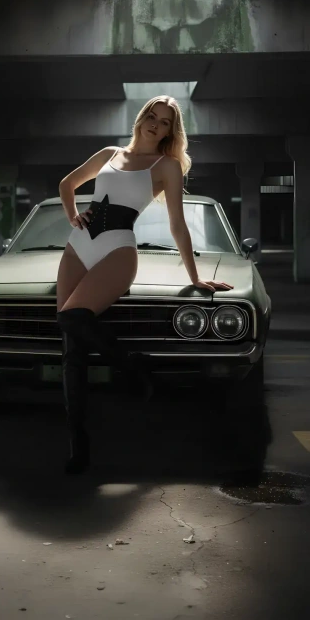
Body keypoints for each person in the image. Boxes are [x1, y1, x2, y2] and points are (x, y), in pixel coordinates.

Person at [55, 95, 234, 474]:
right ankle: (77, 443)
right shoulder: (109, 153)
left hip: (118, 249)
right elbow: (67, 184)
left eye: (165, 121)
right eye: (152, 116)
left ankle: (132, 365)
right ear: (141, 118)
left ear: (171, 130)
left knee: (72, 318)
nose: (156, 124)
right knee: (72, 351)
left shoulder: (167, 165)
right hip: (77, 246)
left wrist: (194, 277)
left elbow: (177, 224)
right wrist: (73, 216)